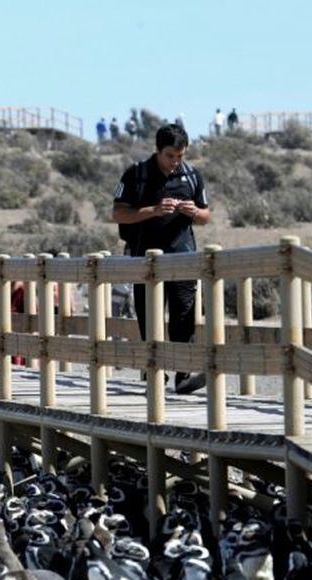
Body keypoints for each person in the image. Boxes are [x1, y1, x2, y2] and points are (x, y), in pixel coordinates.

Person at [112, 123, 210, 395]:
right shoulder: (137, 174)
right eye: (170, 156)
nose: (175, 162)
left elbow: (206, 216)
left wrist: (193, 212)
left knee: (184, 315)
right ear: (158, 151)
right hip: (146, 261)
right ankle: (154, 374)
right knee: (149, 317)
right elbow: (118, 214)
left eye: (180, 156)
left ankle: (183, 375)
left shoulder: (191, 175)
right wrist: (153, 210)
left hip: (183, 258)